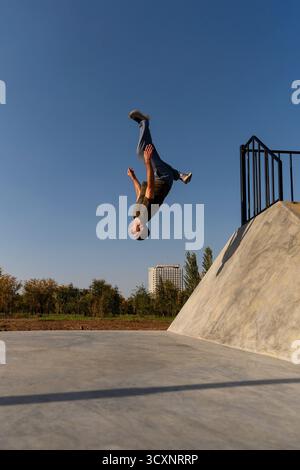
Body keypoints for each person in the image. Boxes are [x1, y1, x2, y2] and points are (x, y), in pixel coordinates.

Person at [127, 109, 192, 240]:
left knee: (148, 146)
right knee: (142, 151)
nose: (132, 230)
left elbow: (140, 193)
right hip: (162, 178)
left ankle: (179, 175)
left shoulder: (136, 214)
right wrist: (147, 163)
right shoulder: (143, 215)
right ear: (139, 228)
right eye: (135, 231)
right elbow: (150, 188)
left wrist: (133, 178)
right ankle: (143, 122)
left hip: (162, 178)